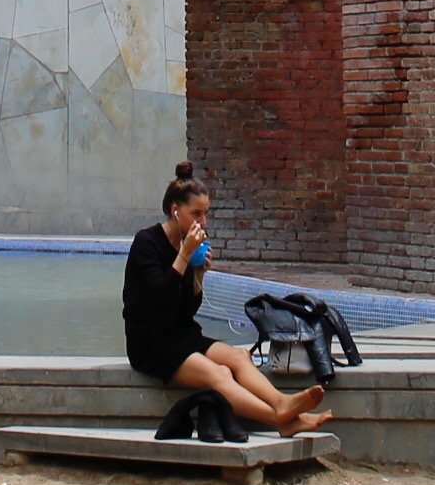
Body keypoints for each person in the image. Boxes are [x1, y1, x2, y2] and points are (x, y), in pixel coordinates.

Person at [124, 163, 330, 434]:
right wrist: (184, 256)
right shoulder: (146, 242)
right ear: (176, 210)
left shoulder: (187, 245)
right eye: (196, 213)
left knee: (238, 357)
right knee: (218, 374)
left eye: (206, 213)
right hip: (150, 343)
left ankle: (281, 403)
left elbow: (185, 311)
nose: (203, 222)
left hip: (180, 334)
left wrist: (198, 274)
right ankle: (281, 421)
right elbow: (159, 301)